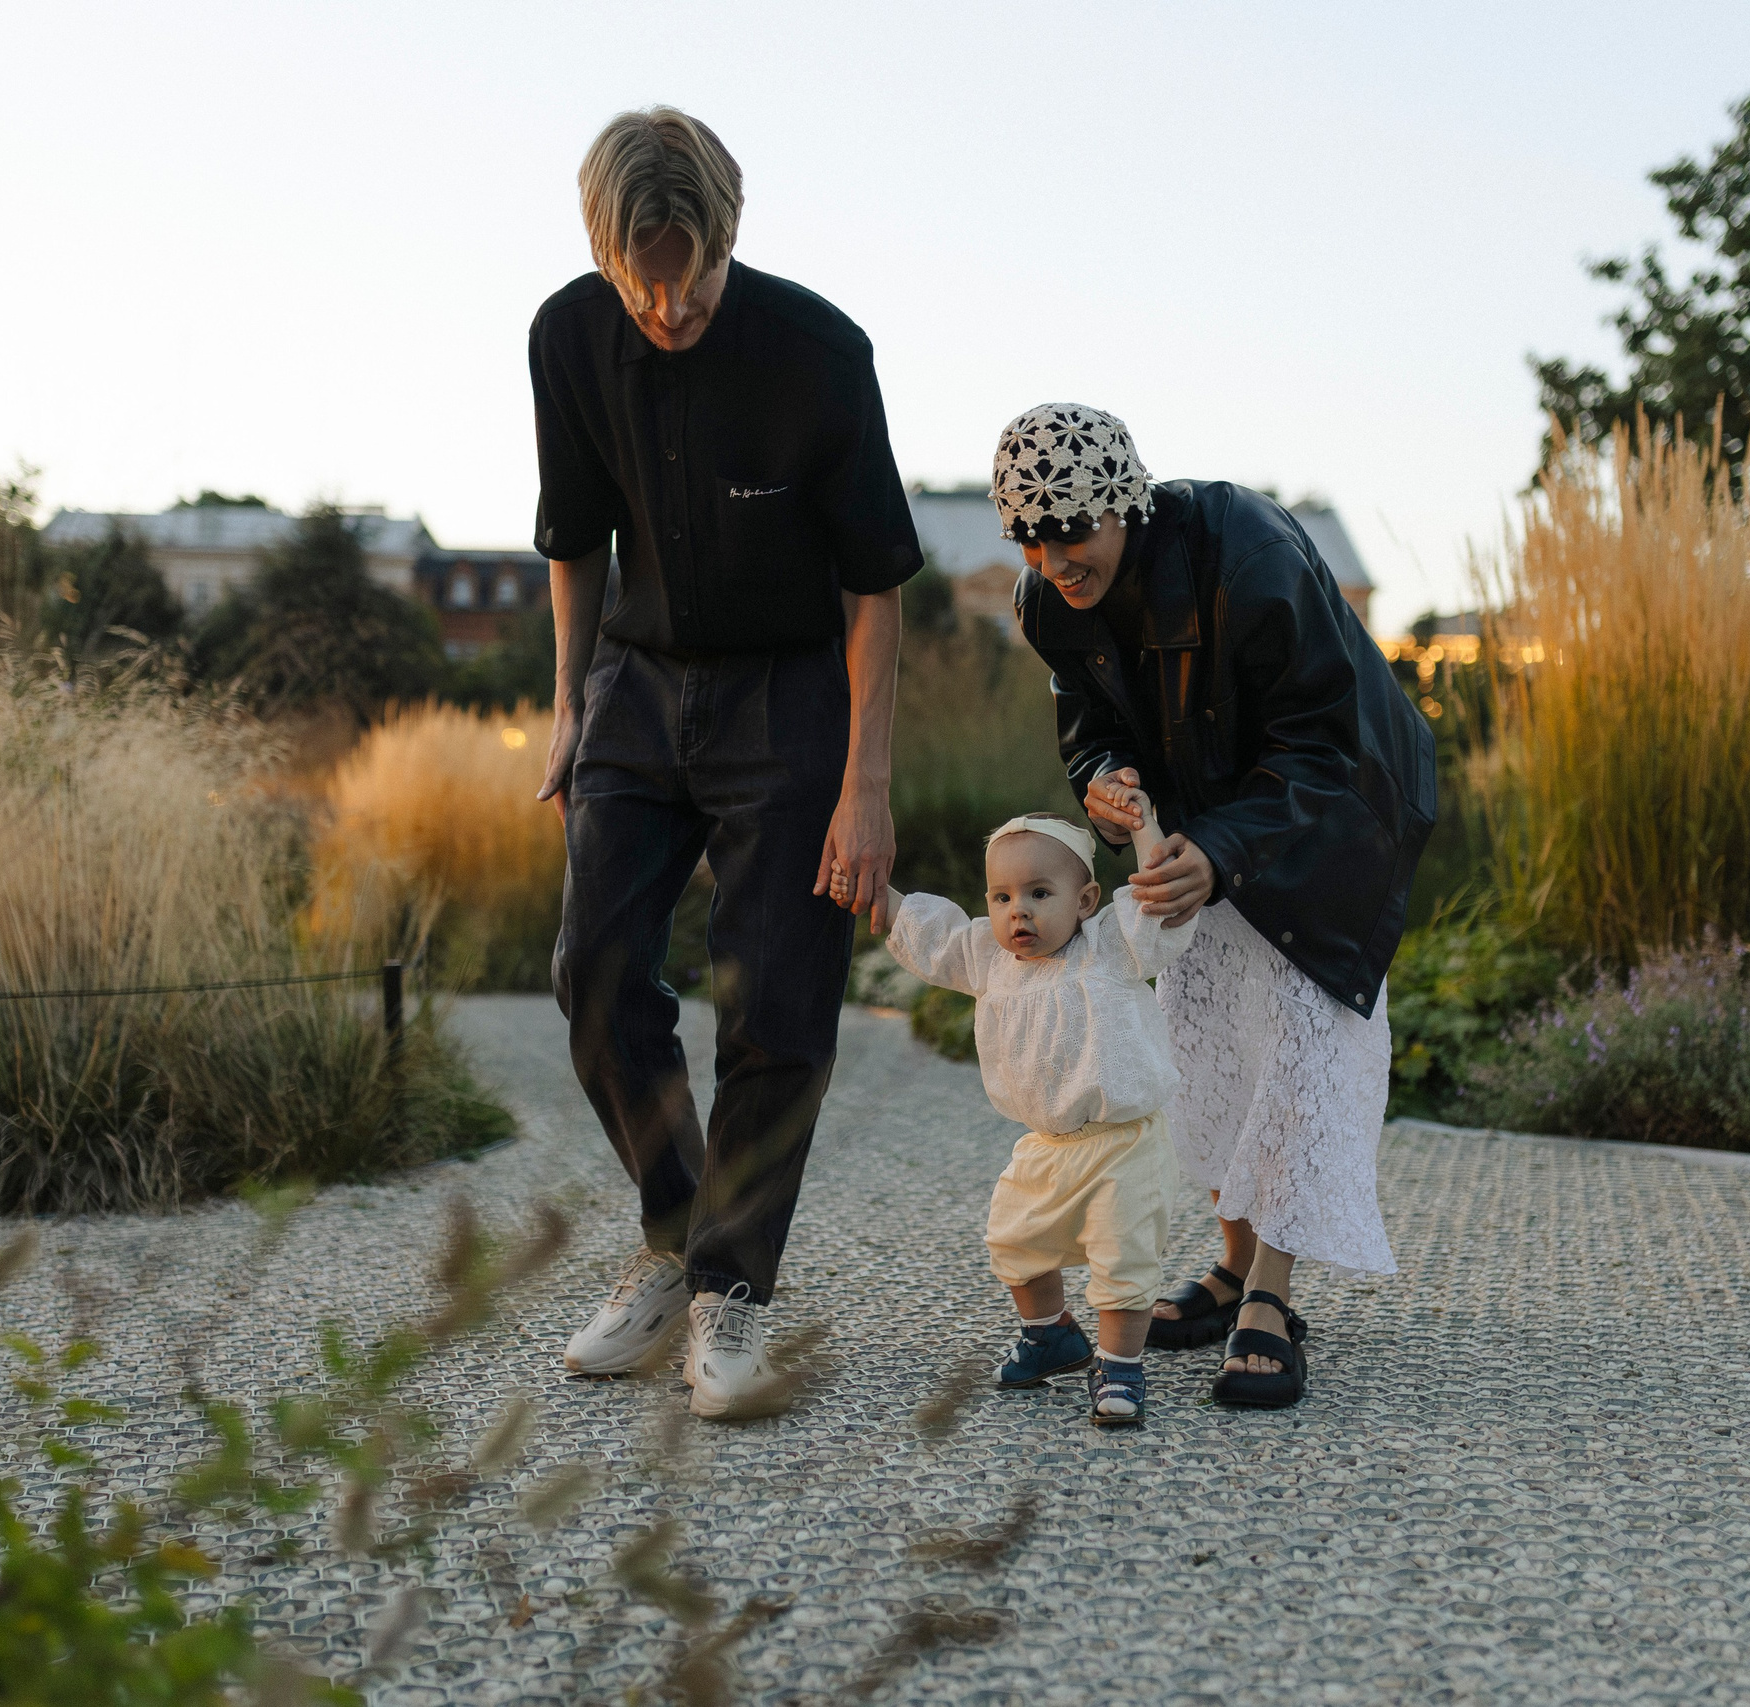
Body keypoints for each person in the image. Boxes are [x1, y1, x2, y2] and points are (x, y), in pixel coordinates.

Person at [529, 108, 921, 1419]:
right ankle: (675, 1237)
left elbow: (875, 588)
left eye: (689, 283)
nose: (665, 309)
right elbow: (574, 539)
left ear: (727, 236)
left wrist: (864, 784)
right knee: (593, 969)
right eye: (638, 283)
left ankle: (730, 1289)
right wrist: (569, 706)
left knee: (776, 1007)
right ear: (602, 252)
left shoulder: (820, 353)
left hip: (790, 696)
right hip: (636, 685)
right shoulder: (567, 336)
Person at [996, 402, 1435, 1410]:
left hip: (1337, 811)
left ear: (1124, 503)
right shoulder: (1046, 601)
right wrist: (1105, 783)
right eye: (1029, 537)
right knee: (1203, 1047)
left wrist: (1227, 850)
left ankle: (1272, 1297)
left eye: (1071, 529)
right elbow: (1091, 730)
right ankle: (1234, 1266)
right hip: (1200, 832)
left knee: (1300, 1042)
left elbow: (1325, 743)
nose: (1053, 560)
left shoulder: (1250, 551)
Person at [839, 799, 1192, 1428]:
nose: (1017, 911)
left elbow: (1154, 904)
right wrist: (874, 891)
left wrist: (1144, 831)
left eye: (1038, 893)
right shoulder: (989, 958)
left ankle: (1120, 1365)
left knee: (1124, 1257)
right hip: (1046, 1146)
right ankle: (1050, 1334)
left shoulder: (1111, 947)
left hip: (1123, 1144)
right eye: (1001, 897)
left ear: (1085, 902)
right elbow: (933, 935)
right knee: (1015, 1241)